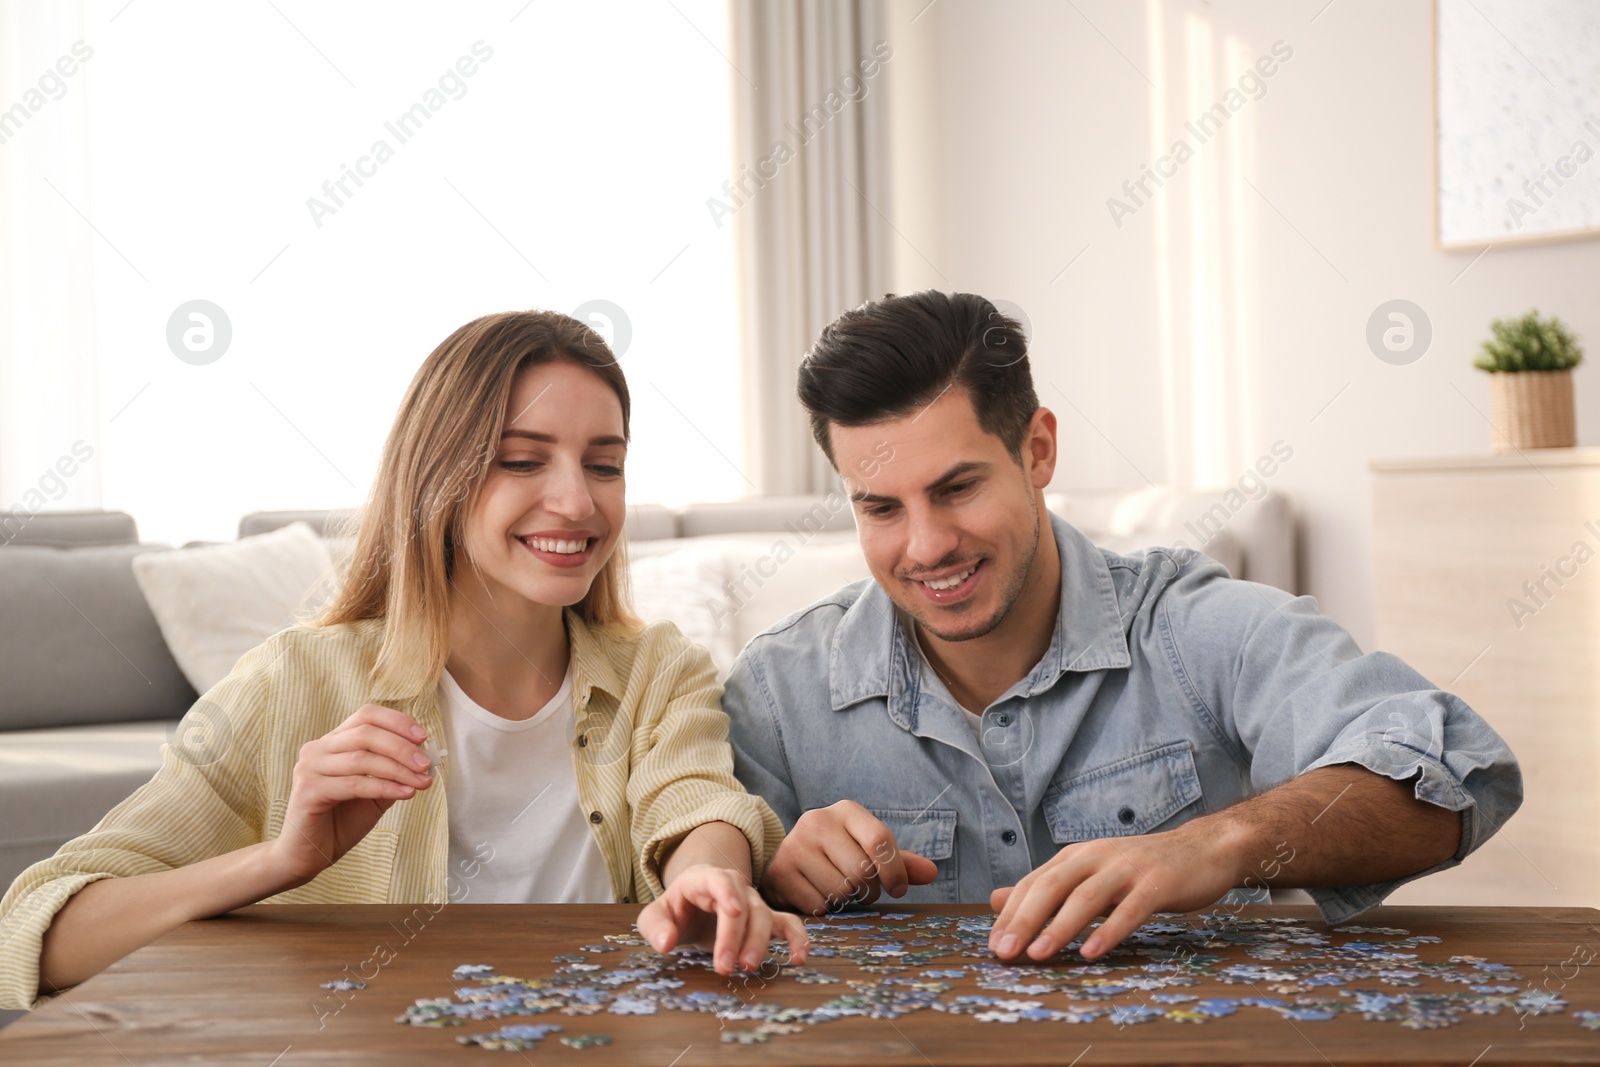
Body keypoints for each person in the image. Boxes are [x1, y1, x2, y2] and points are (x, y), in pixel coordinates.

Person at [0, 310, 805, 1011]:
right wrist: (285, 859)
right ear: (438, 476)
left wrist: (713, 879)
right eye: (522, 460)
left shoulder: (660, 669)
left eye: (605, 462)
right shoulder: (296, 681)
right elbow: (41, 934)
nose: (578, 500)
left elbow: (695, 800)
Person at [726, 289, 1521, 963]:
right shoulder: (774, 694)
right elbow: (692, 917)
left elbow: (1460, 770)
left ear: (1038, 450)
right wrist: (766, 875)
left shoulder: (1190, 625)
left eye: (959, 486)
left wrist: (1218, 843)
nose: (927, 544)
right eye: (882, 507)